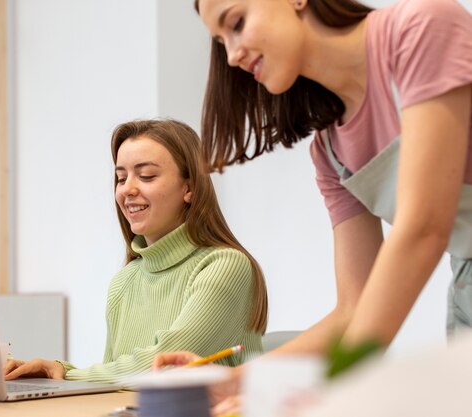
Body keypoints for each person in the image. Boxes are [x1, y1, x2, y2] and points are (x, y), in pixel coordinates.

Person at [154, 0, 472, 413]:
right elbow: (352, 309)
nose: (232, 56)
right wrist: (233, 382)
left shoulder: (421, 29)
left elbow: (422, 229)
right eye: (220, 42)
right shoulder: (331, 153)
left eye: (236, 23)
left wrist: (330, 389)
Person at [4, 119, 268, 383]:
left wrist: (65, 374)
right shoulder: (124, 282)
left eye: (146, 176)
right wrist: (59, 374)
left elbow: (167, 365)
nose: (127, 189)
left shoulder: (225, 266)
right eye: (121, 178)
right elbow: (114, 379)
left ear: (189, 187)